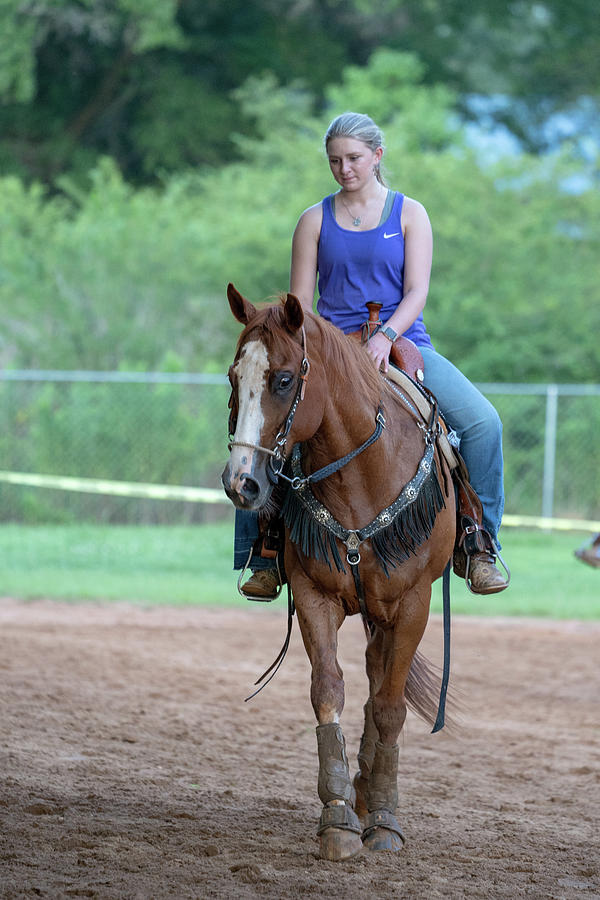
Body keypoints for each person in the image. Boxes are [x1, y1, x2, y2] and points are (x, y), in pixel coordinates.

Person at [236, 111, 509, 598]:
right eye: (335, 161)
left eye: (354, 158)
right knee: (265, 422)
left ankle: (478, 543)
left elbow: (416, 292)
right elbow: (298, 307)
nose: (344, 169)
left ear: (377, 156)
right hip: (327, 352)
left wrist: (384, 336)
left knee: (485, 424)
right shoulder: (313, 220)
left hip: (403, 344)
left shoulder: (410, 213)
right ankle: (264, 553)